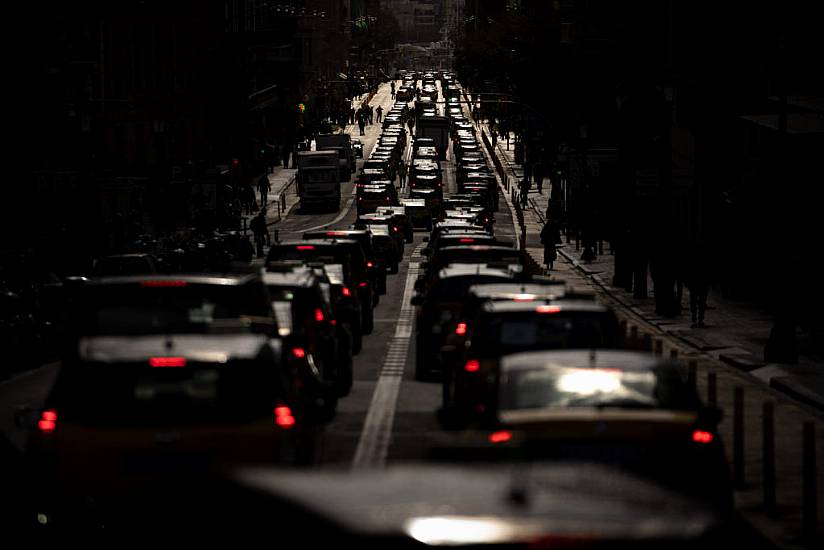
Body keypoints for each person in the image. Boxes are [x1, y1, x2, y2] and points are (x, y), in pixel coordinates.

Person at [683, 236, 710, 328]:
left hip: (695, 280)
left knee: (694, 299)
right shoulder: (704, 254)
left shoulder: (691, 255)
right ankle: (699, 318)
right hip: (700, 280)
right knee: (700, 300)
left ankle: (696, 317)